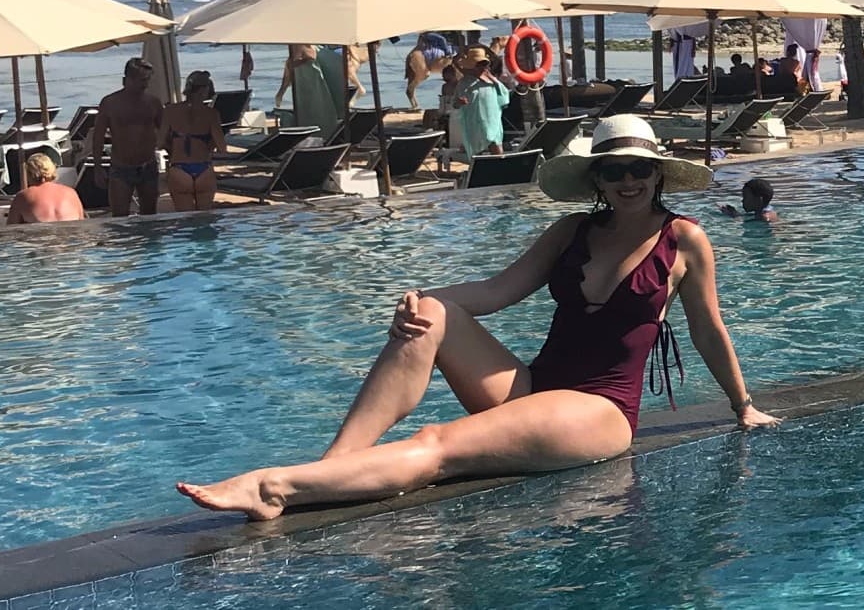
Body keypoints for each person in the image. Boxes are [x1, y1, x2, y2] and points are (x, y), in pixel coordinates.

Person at [175, 115, 779, 520]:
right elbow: (496, 291)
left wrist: (742, 405)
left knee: (436, 445)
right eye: (613, 170)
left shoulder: (684, 239)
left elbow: (707, 329)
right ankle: (331, 469)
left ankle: (273, 486)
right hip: (532, 388)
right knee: (433, 313)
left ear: (658, 174)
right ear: (596, 177)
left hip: (598, 411)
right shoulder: (572, 230)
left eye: (638, 169)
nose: (627, 181)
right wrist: (418, 296)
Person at [88, 56, 164, 218]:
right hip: (121, 168)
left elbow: (165, 132)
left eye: (147, 80)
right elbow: (98, 137)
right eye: (142, 80)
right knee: (120, 217)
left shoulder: (153, 102)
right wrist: (97, 168)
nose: (145, 84)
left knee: (150, 217)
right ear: (127, 79)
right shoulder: (110, 103)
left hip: (148, 166)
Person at [162, 70, 226, 212]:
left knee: (185, 220)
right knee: (204, 219)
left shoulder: (170, 111)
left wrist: (173, 148)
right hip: (204, 169)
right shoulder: (211, 114)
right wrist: (208, 145)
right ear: (206, 90)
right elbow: (222, 147)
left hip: (179, 169)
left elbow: (159, 142)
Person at [451, 46, 513, 158]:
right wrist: (460, 102)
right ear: (472, 66)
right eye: (479, 64)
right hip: (474, 122)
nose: (483, 67)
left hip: (491, 120)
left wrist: (492, 79)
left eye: (485, 64)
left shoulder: (491, 80)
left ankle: (500, 167)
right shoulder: (464, 82)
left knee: (496, 147)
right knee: (476, 151)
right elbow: (455, 103)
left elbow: (504, 95)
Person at [6, 150, 87, 225]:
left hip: (40, 235)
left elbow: (10, 228)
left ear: (29, 174)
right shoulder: (72, 193)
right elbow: (82, 222)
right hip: (71, 234)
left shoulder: (23, 197)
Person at [406, 34, 453, 111]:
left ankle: (414, 104)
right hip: (427, 36)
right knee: (442, 39)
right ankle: (448, 54)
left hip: (427, 37)